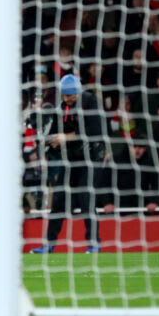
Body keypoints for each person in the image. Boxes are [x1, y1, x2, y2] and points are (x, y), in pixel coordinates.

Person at [32, 74, 107, 254]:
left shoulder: (90, 102)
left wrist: (65, 137)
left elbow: (95, 131)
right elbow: (57, 133)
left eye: (70, 95)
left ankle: (94, 244)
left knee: (86, 199)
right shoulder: (62, 108)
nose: (66, 99)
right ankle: (49, 244)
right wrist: (47, 139)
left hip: (91, 159)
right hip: (72, 159)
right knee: (58, 200)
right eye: (64, 95)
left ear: (78, 92)